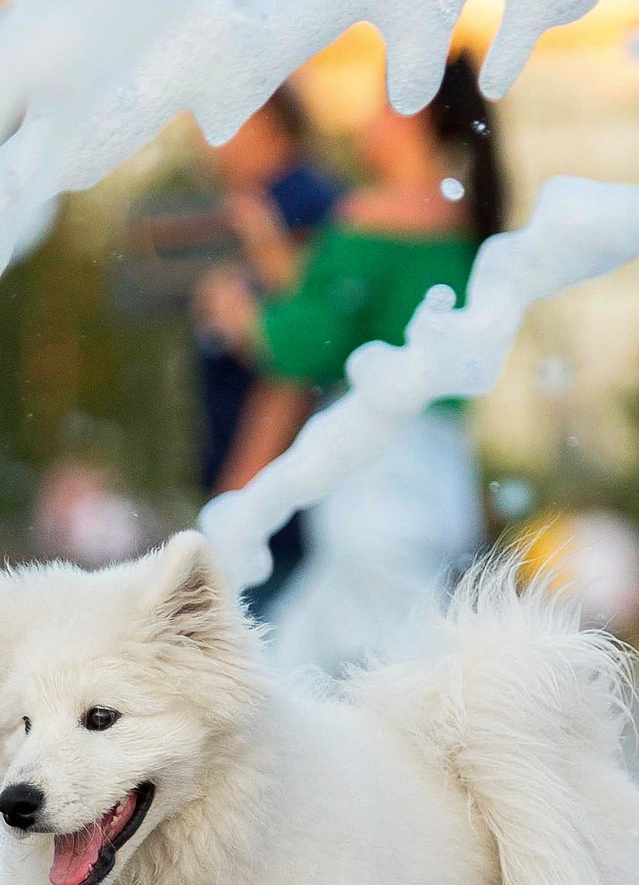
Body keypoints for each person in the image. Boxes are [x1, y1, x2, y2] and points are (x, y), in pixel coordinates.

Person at [198, 54, 499, 677]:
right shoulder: (465, 223)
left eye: (381, 105)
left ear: (413, 115)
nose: (368, 121)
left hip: (377, 481)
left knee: (375, 681)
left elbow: (309, 346)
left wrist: (241, 315)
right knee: (322, 662)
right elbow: (369, 318)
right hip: (443, 468)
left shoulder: (370, 217)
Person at [194, 90, 340, 619]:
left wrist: (240, 492)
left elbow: (301, 363)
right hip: (272, 498)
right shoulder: (263, 203)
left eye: (218, 120)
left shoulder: (299, 206)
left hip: (278, 505)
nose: (206, 140)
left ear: (263, 118)